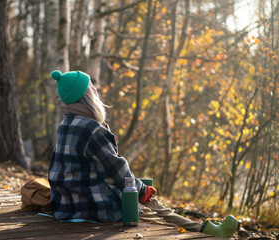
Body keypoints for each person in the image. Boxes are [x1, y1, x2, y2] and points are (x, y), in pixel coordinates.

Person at [48, 70, 238, 237]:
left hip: (65, 205)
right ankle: (207, 231)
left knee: (149, 201)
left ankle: (204, 227)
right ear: (87, 96)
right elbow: (116, 170)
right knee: (152, 207)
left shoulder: (66, 125)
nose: (96, 92)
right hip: (92, 207)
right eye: (93, 89)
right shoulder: (92, 129)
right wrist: (140, 189)